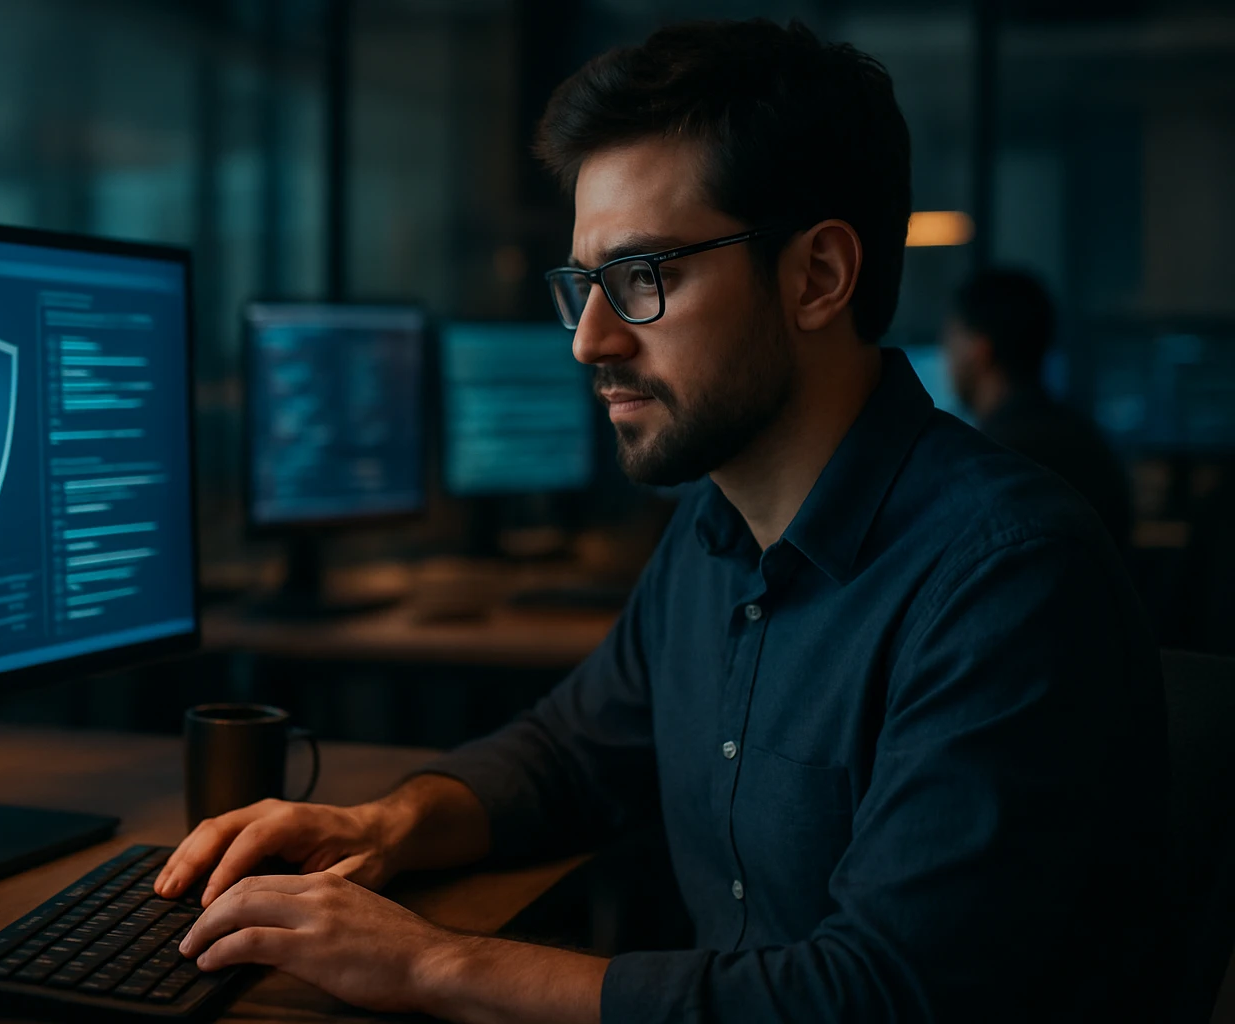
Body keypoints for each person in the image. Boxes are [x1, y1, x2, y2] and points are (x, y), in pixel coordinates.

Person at [160, 19, 1166, 1023]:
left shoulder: (1007, 580)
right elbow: (569, 752)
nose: (590, 339)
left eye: (642, 279)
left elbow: (872, 997)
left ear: (817, 276)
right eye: (582, 285)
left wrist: (429, 964)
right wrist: (384, 821)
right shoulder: (714, 527)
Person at [943, 268, 1135, 551]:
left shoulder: (988, 460)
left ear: (979, 349)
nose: (947, 356)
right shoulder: (1088, 440)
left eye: (950, 340)